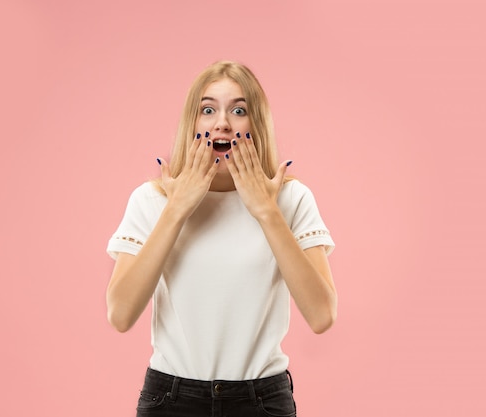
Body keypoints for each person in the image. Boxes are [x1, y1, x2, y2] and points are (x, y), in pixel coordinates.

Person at [106, 60, 337, 417]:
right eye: (208, 109)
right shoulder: (151, 201)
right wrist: (177, 209)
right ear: (192, 123)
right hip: (171, 400)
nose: (222, 122)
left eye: (239, 110)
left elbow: (322, 315)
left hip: (261, 401)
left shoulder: (291, 200)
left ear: (256, 124)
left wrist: (266, 211)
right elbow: (120, 314)